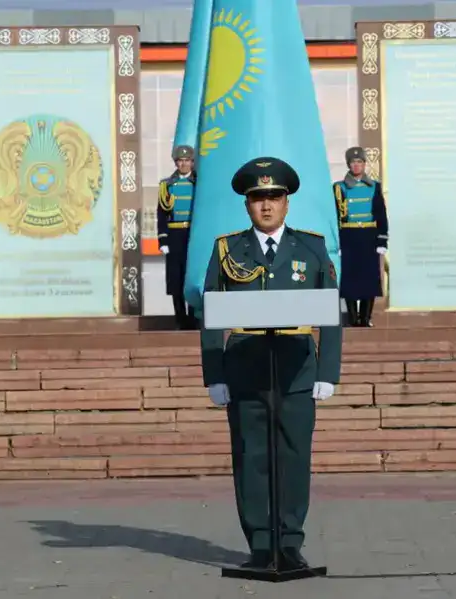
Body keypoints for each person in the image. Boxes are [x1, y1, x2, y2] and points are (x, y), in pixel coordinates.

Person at [199, 157, 342, 570]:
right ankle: (261, 543)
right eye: (258, 198)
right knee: (251, 456)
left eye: (274, 197)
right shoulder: (228, 249)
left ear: (287, 203)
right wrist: (215, 374)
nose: (266, 206)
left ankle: (290, 542)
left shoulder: (311, 247)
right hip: (246, 364)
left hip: (297, 365)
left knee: (295, 456)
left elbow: (331, 311)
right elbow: (210, 314)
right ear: (247, 205)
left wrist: (328, 371)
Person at [333, 147, 388, 327]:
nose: (357, 165)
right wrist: (338, 242)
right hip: (349, 236)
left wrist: (382, 240)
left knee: (369, 278)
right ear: (349, 165)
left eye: (360, 162)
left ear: (365, 164)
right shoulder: (339, 188)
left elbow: (381, 215)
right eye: (353, 162)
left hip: (369, 236)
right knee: (350, 279)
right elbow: (335, 216)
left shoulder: (374, 187)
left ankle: (366, 318)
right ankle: (353, 317)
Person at [158, 145, 198, 329]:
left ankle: (193, 316)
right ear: (176, 162)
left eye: (187, 160)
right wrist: (163, 239)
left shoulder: (199, 184)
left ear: (192, 162)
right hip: (174, 234)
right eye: (180, 161)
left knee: (191, 275)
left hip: (192, 234)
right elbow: (161, 214)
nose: (183, 164)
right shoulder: (167, 185)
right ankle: (180, 318)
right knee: (176, 278)